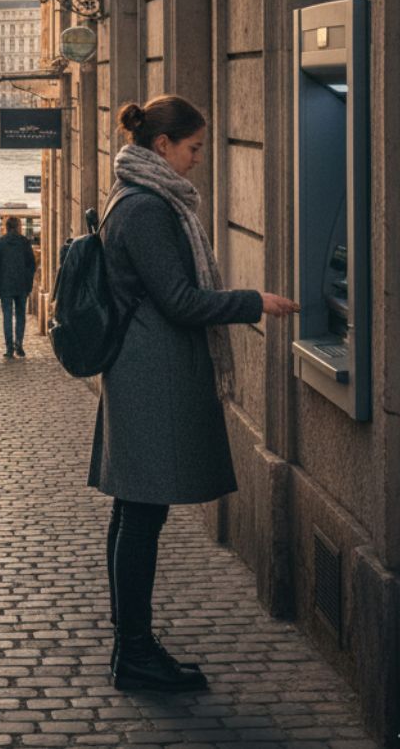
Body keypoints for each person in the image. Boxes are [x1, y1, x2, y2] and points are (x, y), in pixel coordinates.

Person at [92, 96, 298, 693]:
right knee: (140, 514)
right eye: (194, 148)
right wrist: (251, 301)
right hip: (148, 375)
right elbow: (180, 301)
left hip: (142, 369)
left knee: (134, 512)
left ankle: (132, 644)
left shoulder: (139, 196)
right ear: (163, 147)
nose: (198, 159)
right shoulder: (147, 208)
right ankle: (133, 651)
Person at [0, 216, 37, 358]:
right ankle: (19, 345)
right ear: (17, 226)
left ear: (6, 227)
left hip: (5, 285)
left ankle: (9, 348)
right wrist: (28, 281)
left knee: (7, 316)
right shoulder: (24, 242)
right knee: (20, 315)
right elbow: (32, 265)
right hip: (22, 285)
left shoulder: (0, 243)